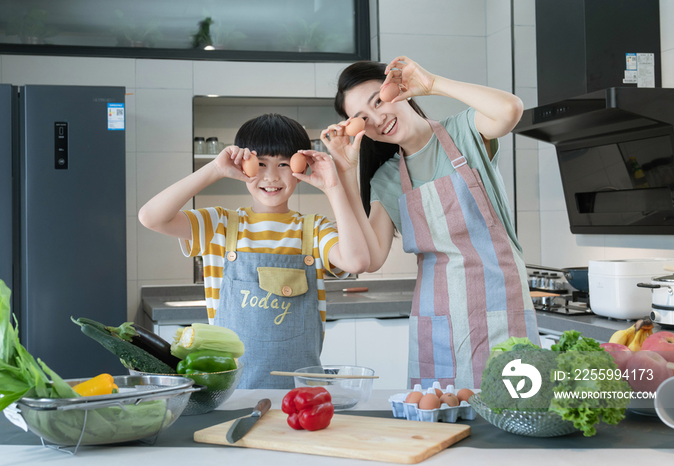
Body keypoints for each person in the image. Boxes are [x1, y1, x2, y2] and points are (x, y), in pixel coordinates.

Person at [323, 56, 540, 390]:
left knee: (514, 410)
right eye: (362, 118)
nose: (378, 118)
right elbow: (372, 257)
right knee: (439, 423)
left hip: (502, 310)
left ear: (400, 91)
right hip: (437, 323)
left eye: (378, 101)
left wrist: (433, 84)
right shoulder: (386, 179)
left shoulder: (465, 132)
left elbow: (510, 109)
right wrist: (346, 171)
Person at [138, 113, 370, 389]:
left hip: (300, 393)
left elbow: (357, 262)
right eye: (260, 163)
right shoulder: (220, 225)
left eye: (284, 163)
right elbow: (150, 217)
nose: (271, 176)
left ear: (302, 166)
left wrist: (333, 188)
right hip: (228, 392)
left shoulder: (314, 229)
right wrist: (215, 169)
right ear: (242, 165)